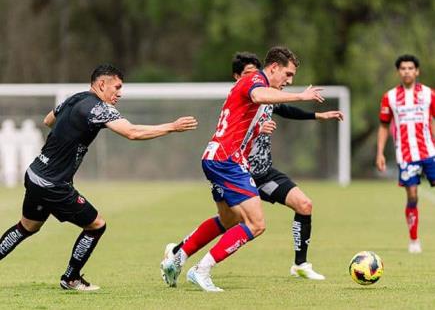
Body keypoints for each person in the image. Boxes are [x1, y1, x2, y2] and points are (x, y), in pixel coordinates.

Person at [0, 64, 198, 291]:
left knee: (26, 227)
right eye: (117, 87)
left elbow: (48, 121)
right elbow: (131, 132)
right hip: (54, 184)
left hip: (34, 173)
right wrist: (172, 127)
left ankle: (69, 277)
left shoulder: (75, 98)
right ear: (102, 84)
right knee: (96, 225)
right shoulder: (98, 108)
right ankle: (71, 278)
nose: (120, 93)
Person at [162, 52, 343, 283]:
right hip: (228, 161)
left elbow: (267, 110)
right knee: (255, 224)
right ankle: (201, 270)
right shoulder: (254, 83)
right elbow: (258, 95)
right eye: (287, 74)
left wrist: (313, 116)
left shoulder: (258, 94)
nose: (288, 81)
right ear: (274, 67)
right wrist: (301, 95)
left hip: (225, 160)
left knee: (228, 220)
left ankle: (177, 257)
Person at [376, 54, 435, 253]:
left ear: (417, 71)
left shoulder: (429, 94)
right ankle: (414, 240)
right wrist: (380, 153)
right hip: (406, 155)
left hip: (429, 151)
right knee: (412, 195)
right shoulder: (390, 97)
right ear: (398, 72)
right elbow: (384, 126)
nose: (407, 71)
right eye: (403, 68)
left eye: (411, 68)